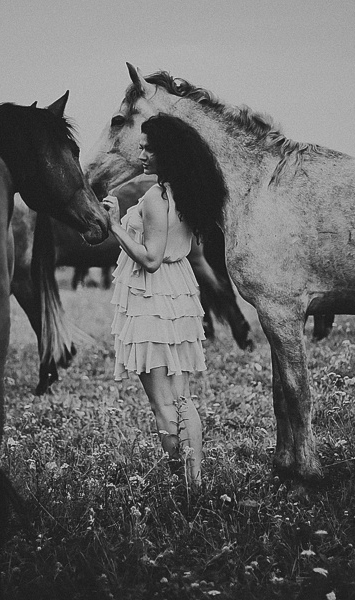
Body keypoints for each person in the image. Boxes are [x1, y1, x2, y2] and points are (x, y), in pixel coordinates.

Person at [101, 113, 226, 488]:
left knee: (163, 406)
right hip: (180, 295)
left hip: (151, 298)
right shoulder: (189, 192)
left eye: (147, 148)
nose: (141, 154)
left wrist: (115, 226)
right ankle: (196, 482)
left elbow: (151, 259)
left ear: (166, 154)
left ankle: (183, 487)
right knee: (183, 399)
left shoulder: (157, 197)